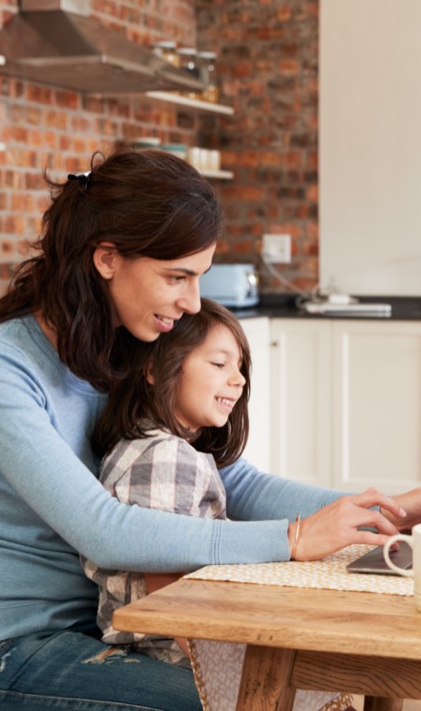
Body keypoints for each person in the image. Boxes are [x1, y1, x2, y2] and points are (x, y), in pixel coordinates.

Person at [0, 148, 421, 711]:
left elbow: (233, 482)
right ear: (106, 259)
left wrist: (386, 512)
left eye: (198, 277)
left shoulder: (124, 346)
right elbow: (102, 530)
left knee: (313, 682)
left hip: (109, 629)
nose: (192, 300)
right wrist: (292, 539)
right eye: (178, 276)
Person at [82, 298, 349, 710]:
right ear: (154, 369)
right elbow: (169, 606)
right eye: (219, 363)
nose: (238, 380)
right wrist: (234, 671)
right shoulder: (163, 457)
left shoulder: (165, 450)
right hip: (165, 654)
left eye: (239, 367)